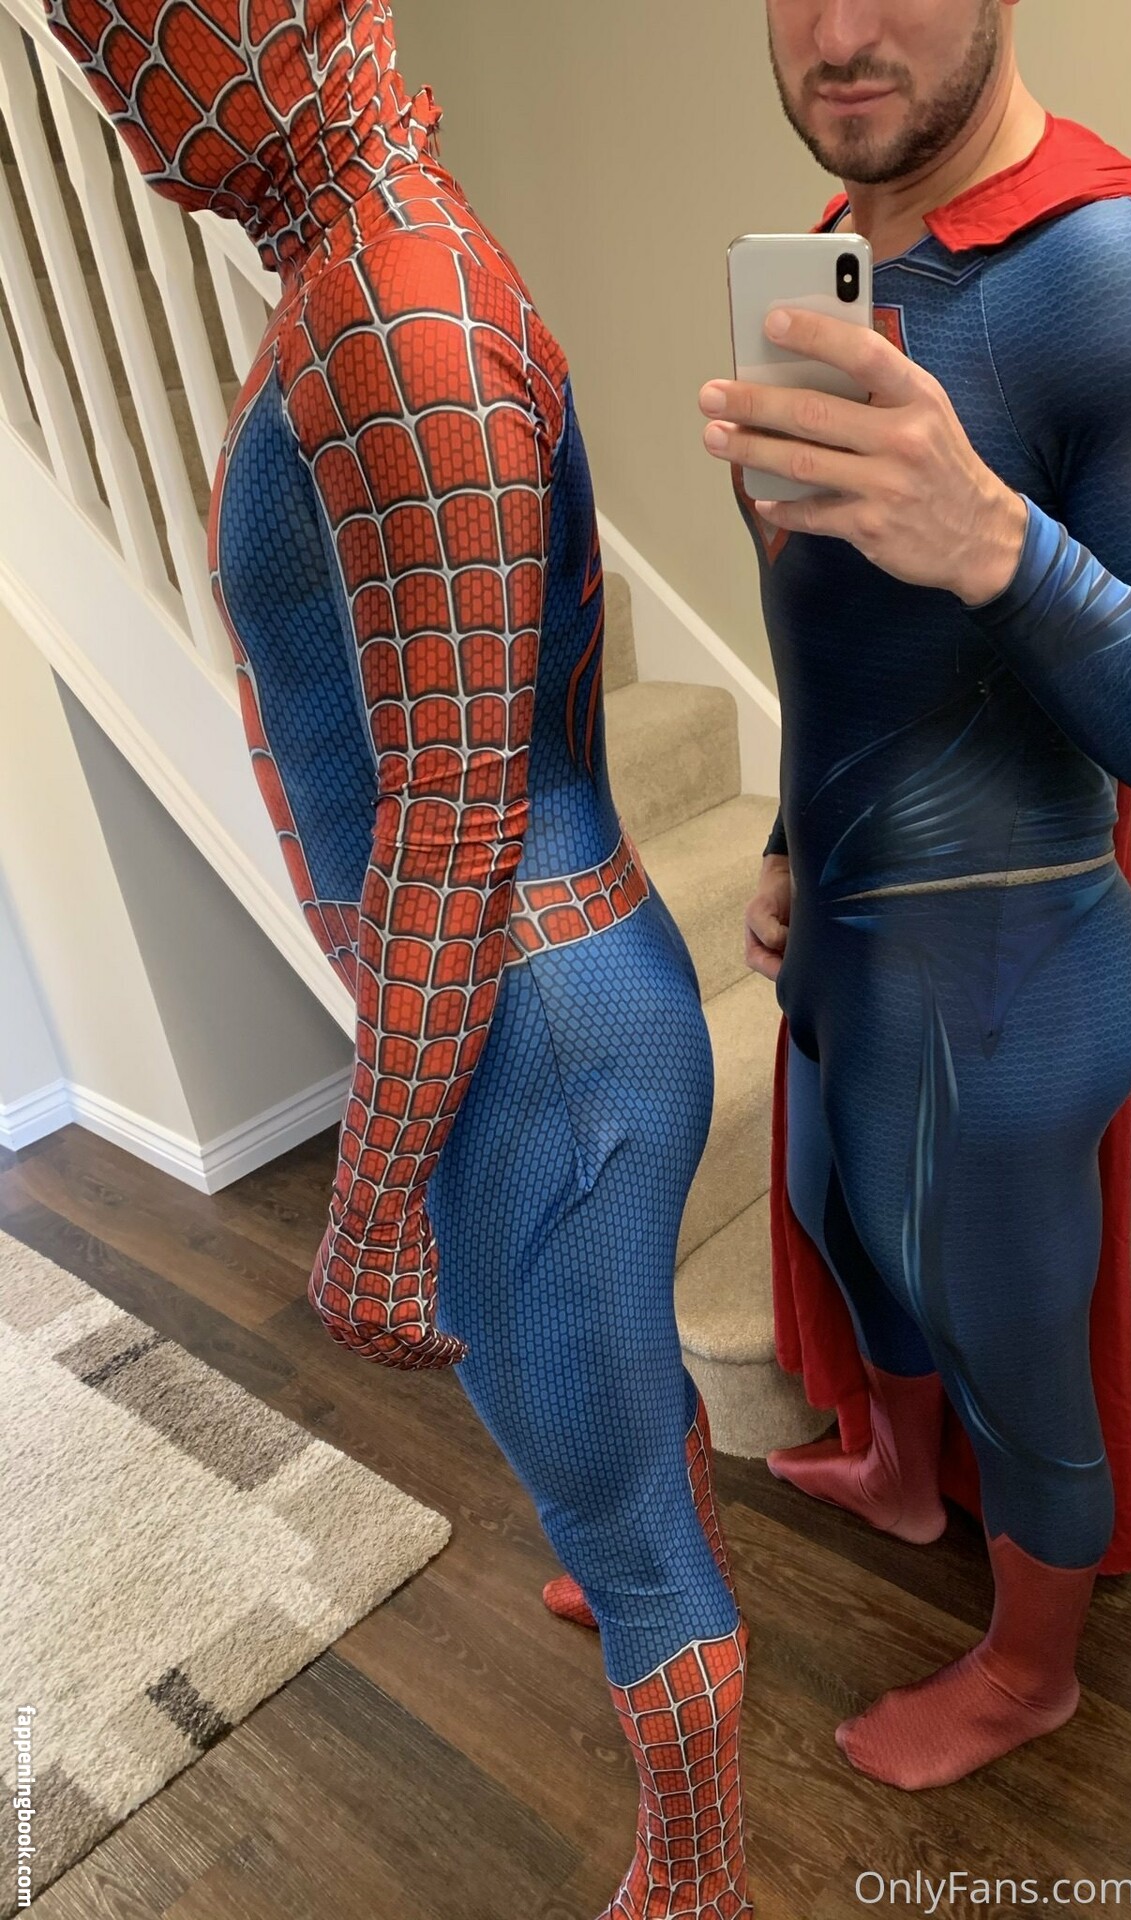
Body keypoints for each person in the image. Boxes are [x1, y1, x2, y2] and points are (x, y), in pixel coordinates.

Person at [44, 1, 750, 1910]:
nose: (124, 121)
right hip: (537, 993)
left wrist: (369, 1201)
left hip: (538, 1014)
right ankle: (630, 1521)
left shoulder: (392, 298)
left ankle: (697, 1880)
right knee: (604, 1415)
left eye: (129, 53)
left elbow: (454, 808)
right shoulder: (356, 269)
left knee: (610, 1492)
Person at [697, 0, 1131, 1793]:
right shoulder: (836, 258)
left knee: (1010, 1331)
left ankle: (1033, 1670)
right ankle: (902, 1477)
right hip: (852, 937)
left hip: (1013, 970)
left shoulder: (1120, 274)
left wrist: (1000, 546)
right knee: (842, 1224)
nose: (839, 31)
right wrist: (791, 844)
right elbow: (839, 639)